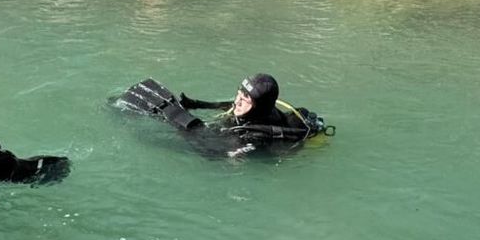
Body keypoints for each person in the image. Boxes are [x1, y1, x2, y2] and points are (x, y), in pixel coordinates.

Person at [115, 73, 333, 157]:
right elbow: (230, 105)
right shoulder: (259, 109)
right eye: (239, 93)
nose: (238, 101)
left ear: (259, 107)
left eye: (245, 99)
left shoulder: (254, 134)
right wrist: (197, 104)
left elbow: (213, 153)